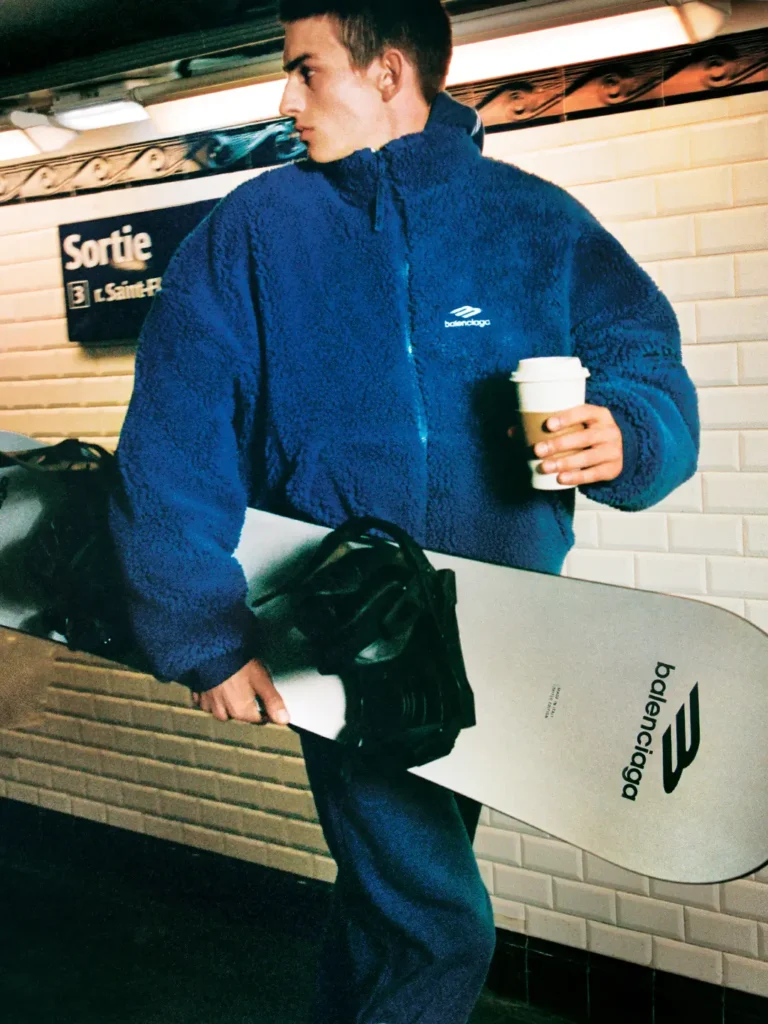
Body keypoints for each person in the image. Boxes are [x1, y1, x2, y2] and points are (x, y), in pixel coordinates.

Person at [109, 2, 699, 1021]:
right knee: (440, 922)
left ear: (388, 73)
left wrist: (630, 430)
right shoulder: (255, 231)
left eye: (306, 71)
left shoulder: (536, 220)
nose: (284, 100)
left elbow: (644, 361)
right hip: (346, 624)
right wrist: (199, 630)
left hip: (510, 627)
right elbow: (173, 440)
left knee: (394, 898)